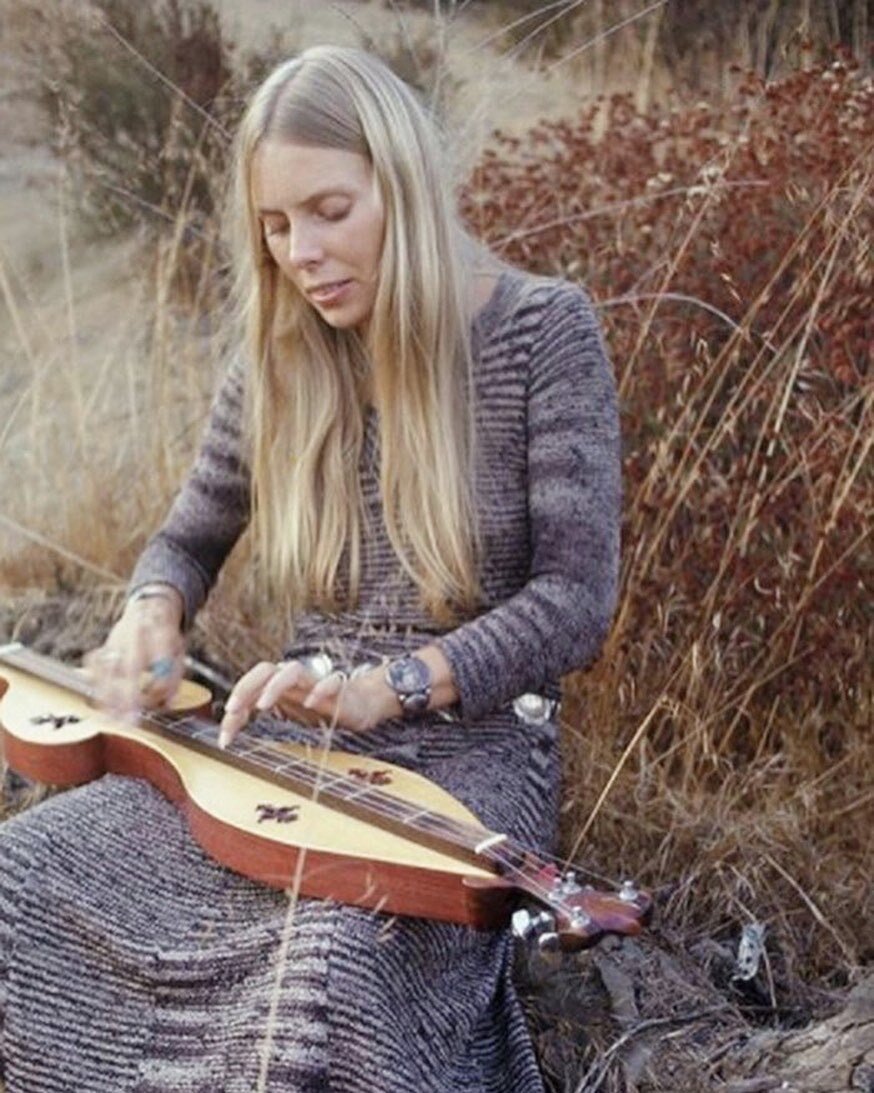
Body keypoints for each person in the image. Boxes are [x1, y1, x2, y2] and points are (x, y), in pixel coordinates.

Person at [0, 45, 620, 1093]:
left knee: (324, 973)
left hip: (465, 761)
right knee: (20, 878)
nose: (301, 253)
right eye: (275, 226)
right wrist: (152, 610)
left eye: (330, 209)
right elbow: (188, 537)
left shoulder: (543, 332)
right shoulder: (279, 357)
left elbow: (575, 599)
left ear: (404, 184)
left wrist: (394, 685)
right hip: (274, 741)